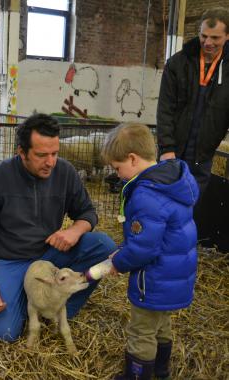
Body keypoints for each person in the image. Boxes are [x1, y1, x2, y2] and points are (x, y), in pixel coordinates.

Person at [0, 113, 116, 342]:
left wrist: (74, 231)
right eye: (41, 155)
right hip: (9, 260)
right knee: (3, 333)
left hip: (48, 256)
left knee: (103, 245)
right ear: (21, 152)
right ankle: (17, 297)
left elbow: (87, 213)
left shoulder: (65, 172)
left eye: (55, 153)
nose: (50, 162)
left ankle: (56, 307)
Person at [101, 123, 198, 380]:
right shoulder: (172, 181)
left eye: (118, 168)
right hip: (174, 274)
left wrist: (118, 262)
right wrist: (125, 248)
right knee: (161, 323)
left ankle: (137, 375)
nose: (119, 175)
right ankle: (160, 371)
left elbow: (144, 249)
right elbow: (154, 236)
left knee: (142, 330)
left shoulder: (146, 195)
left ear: (132, 159)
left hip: (153, 279)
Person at [157, 7, 229, 195]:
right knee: (164, 205)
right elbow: (165, 109)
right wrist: (166, 148)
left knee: (191, 208)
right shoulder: (177, 64)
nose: (208, 42)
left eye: (215, 38)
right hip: (172, 154)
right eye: (204, 36)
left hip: (203, 158)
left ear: (227, 36)